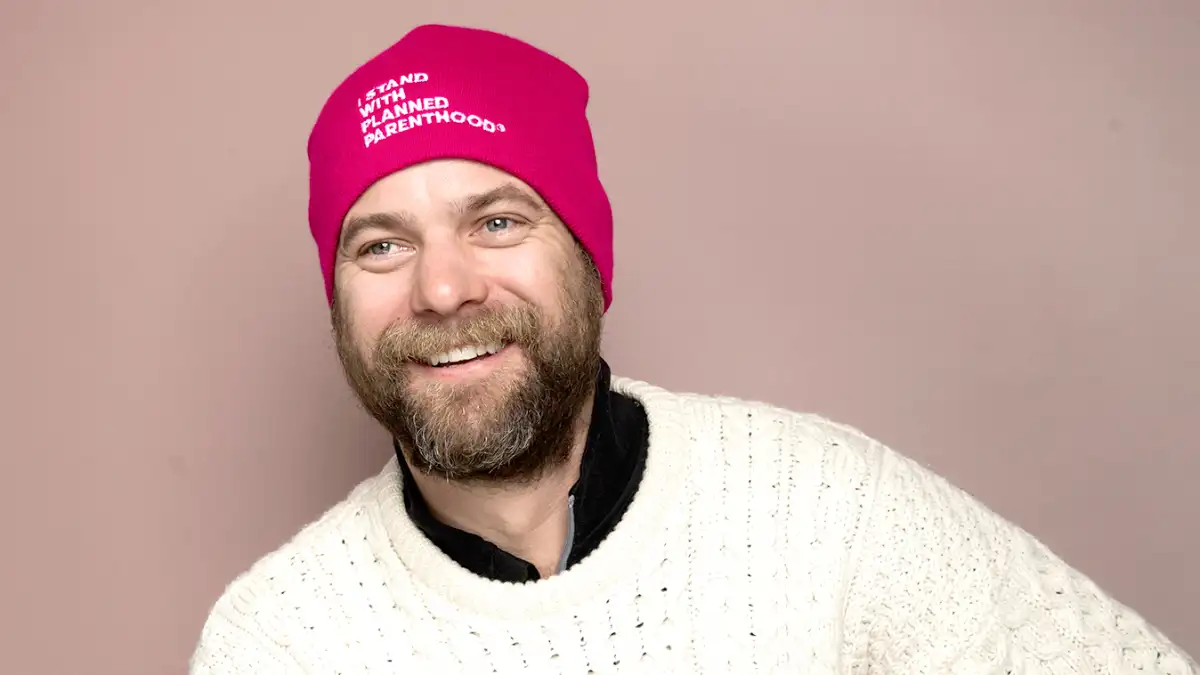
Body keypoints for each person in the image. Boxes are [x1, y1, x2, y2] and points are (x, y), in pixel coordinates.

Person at [189, 23, 1196, 674]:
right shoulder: (282, 638)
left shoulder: (825, 511)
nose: (443, 287)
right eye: (381, 243)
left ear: (588, 257)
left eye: (497, 221)